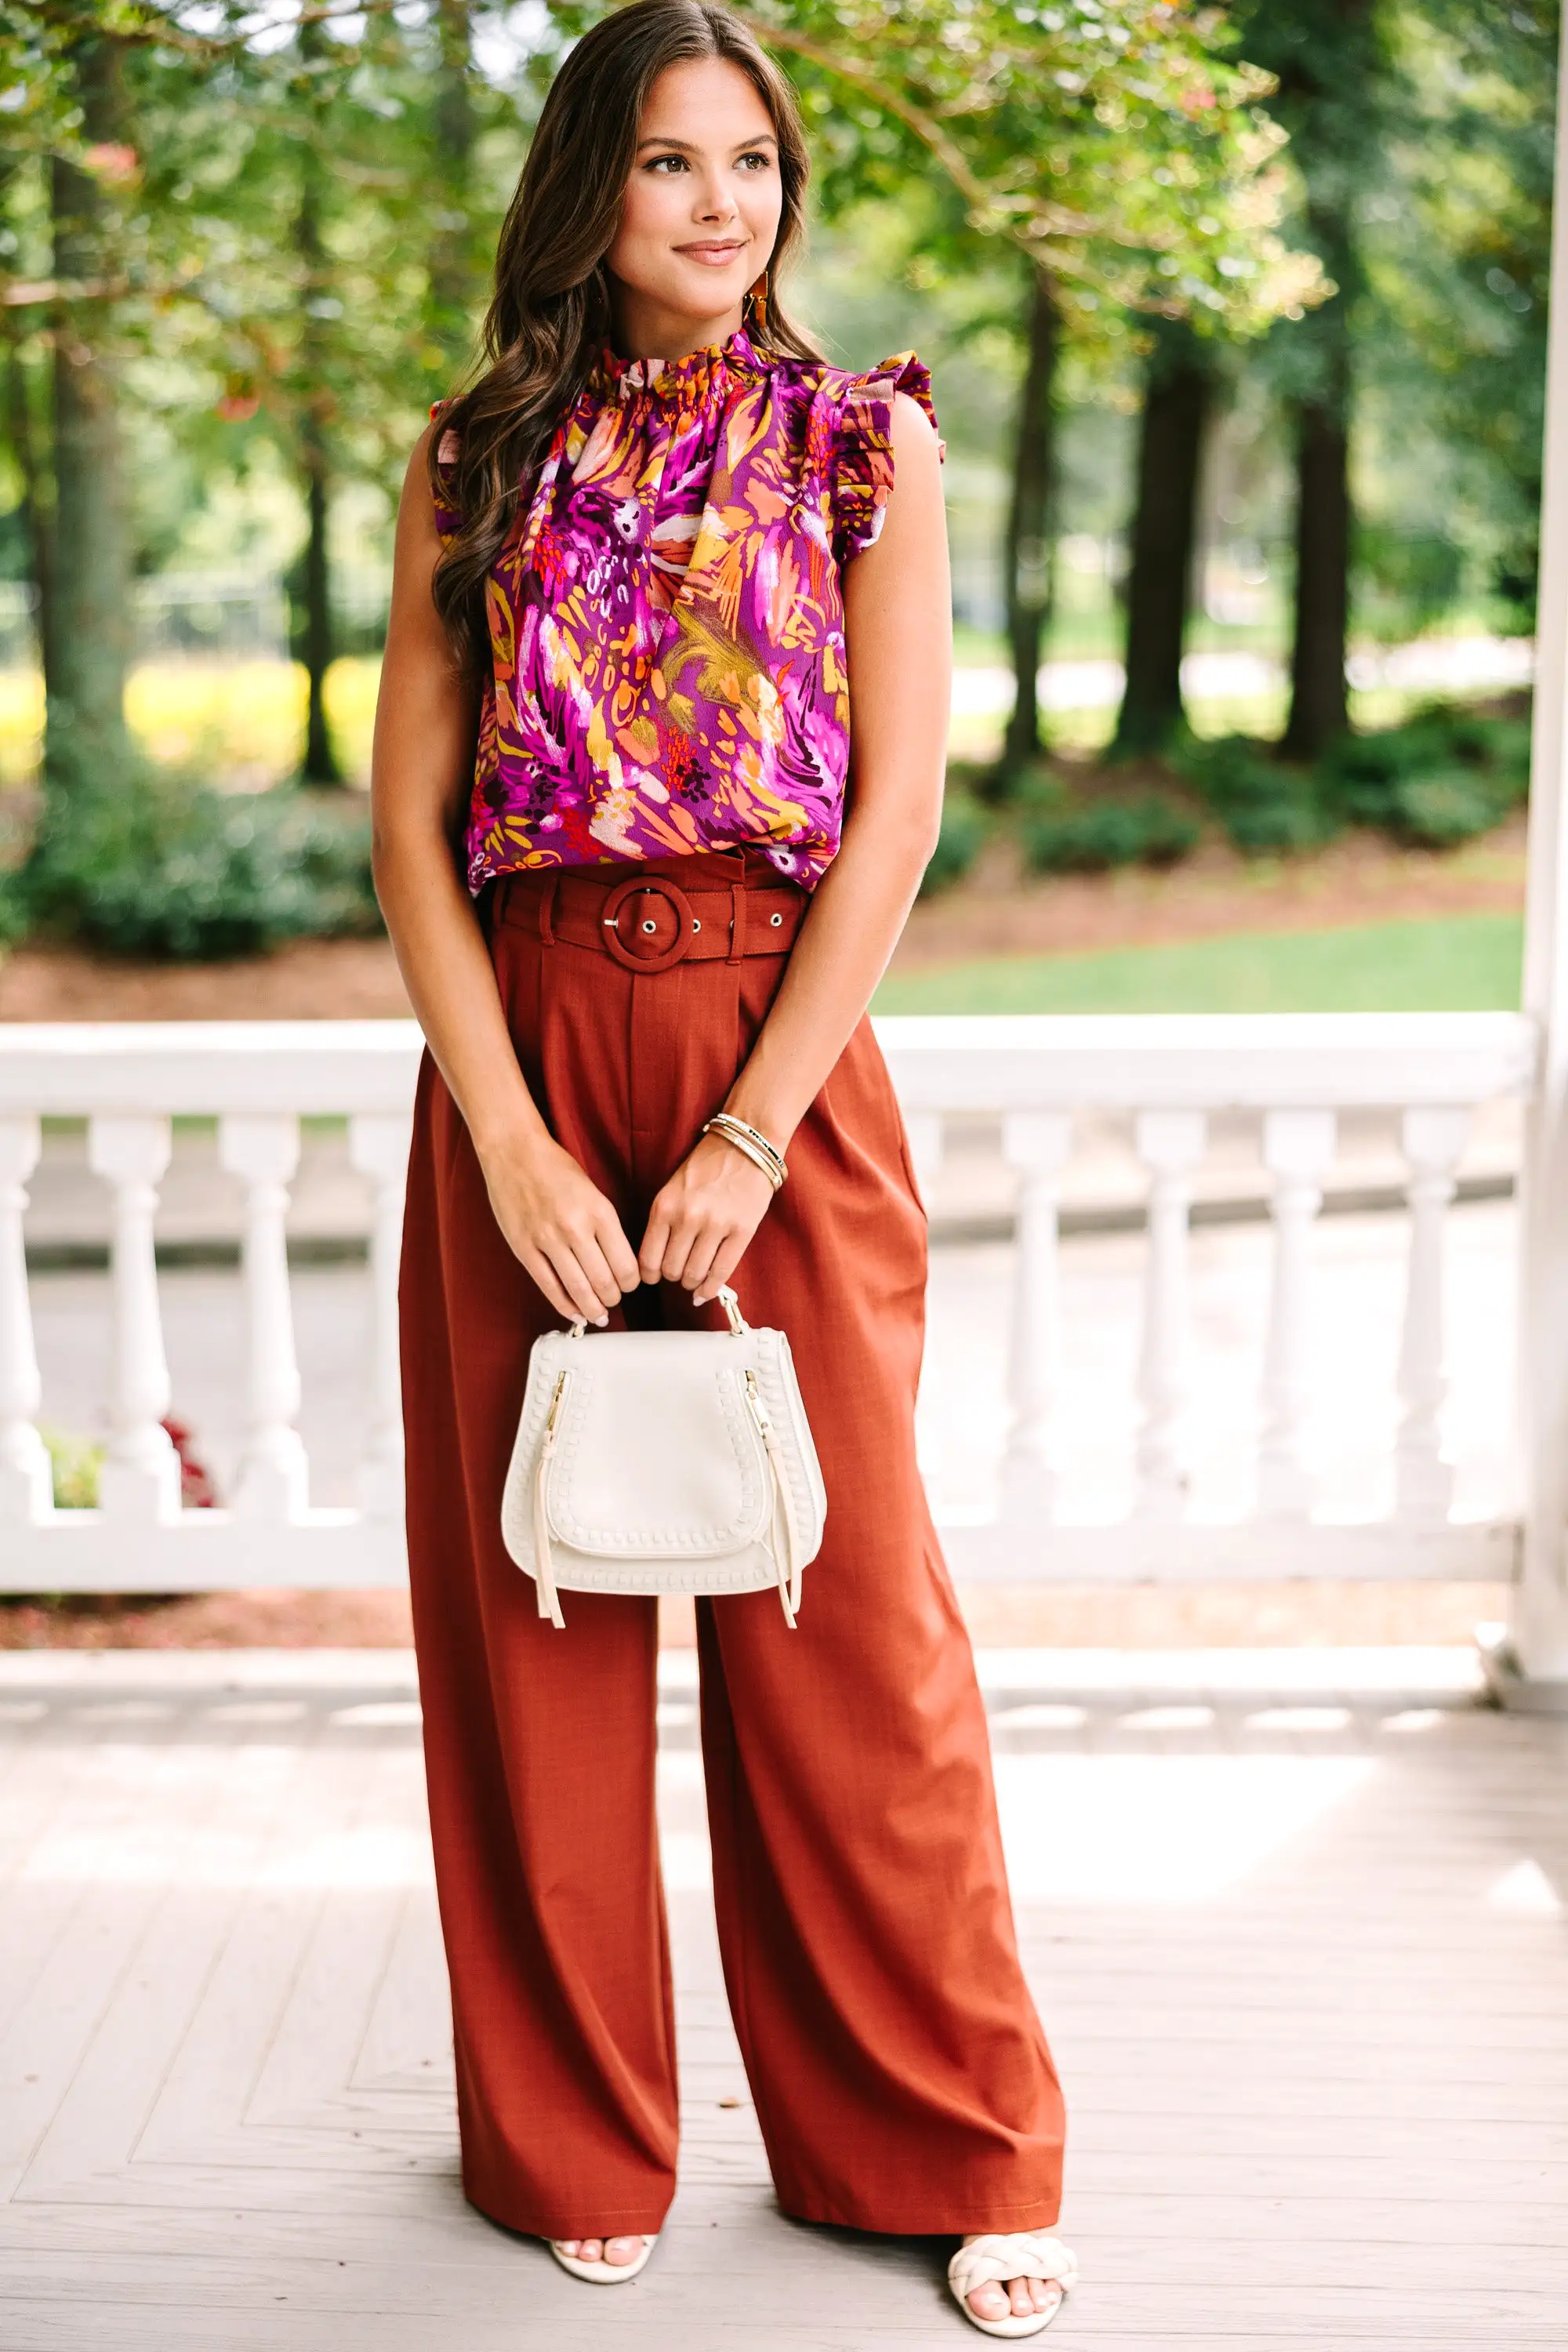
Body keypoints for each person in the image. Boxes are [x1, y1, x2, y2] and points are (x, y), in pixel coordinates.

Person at [370, 0, 1076, 2333]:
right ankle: (571, 2134)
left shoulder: (863, 443)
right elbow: (409, 821)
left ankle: (949, 2139)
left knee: (849, 1626)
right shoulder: (472, 457)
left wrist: (759, 1127)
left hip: (789, 1029)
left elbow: (896, 812)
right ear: (592, 184)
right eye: (671, 161)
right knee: (535, 1619)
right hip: (531, 1029)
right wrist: (504, 1138)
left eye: (752, 159)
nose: (721, 201)